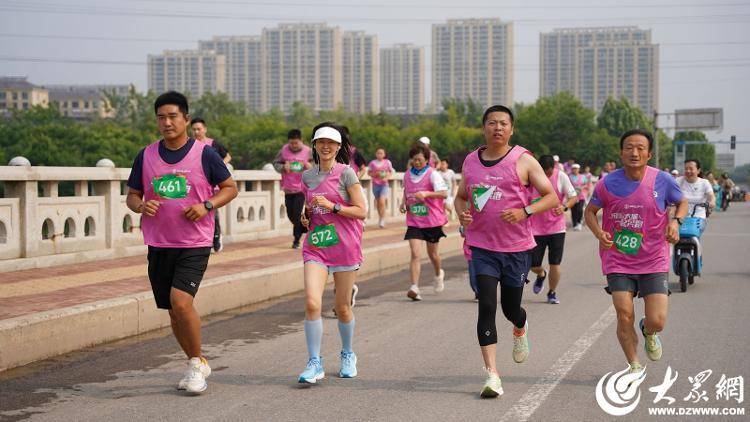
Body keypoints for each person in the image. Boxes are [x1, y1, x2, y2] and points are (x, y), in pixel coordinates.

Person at [125, 91, 238, 394]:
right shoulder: (146, 155)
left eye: (173, 116)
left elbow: (229, 188)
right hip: (159, 242)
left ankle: (196, 364)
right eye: (161, 117)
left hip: (194, 241)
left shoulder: (204, 154)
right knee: (172, 311)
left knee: (181, 301)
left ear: (186, 119)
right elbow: (132, 195)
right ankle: (196, 361)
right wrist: (140, 206)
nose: (167, 122)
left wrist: (207, 206)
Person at [454, 105, 558, 398]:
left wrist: (525, 211)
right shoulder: (471, 161)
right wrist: (462, 214)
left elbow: (550, 197)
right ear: (484, 128)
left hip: (516, 249)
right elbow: (460, 198)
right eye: (491, 123)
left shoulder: (523, 160)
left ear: (511, 130)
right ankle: (492, 375)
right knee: (486, 305)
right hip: (482, 246)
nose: (497, 128)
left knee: (510, 308)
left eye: (503, 123)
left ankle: (520, 325)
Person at [584, 129, 687, 376]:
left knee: (657, 320)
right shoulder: (607, 182)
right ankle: (634, 365)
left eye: (641, 148)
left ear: (649, 154)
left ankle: (649, 331)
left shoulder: (662, 180)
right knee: (624, 314)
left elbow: (681, 202)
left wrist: (675, 222)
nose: (634, 152)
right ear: (621, 153)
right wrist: (599, 233)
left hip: (653, 258)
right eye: (629, 147)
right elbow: (590, 212)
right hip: (618, 259)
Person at [297, 123, 367, 384]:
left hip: (345, 247)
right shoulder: (307, 177)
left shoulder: (347, 173)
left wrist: (334, 206)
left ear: (338, 147)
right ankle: (314, 362)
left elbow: (361, 210)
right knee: (312, 303)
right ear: (314, 145)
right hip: (316, 245)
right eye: (320, 142)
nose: (325, 146)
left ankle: (348, 353)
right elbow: (309, 207)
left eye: (331, 143)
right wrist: (305, 216)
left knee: (342, 308)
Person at [528, 155, 579, 304]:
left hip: (556, 228)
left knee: (555, 263)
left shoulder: (560, 176)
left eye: (549, 173)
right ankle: (541, 274)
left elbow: (573, 197)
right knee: (533, 264)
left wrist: (564, 207)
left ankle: (552, 292)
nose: (546, 176)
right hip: (535, 229)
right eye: (543, 173)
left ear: (553, 168)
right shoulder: (531, 177)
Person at [401, 142, 448, 301]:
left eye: (420, 159)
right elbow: (406, 191)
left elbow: (443, 193)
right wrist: (403, 203)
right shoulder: (407, 175)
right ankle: (414, 287)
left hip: (432, 221)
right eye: (414, 159)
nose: (417, 162)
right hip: (414, 220)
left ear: (427, 160)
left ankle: (438, 273)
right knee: (415, 253)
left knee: (433, 254)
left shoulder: (433, 174)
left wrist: (427, 194)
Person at [191, 117, 231, 252]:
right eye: (194, 129)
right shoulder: (189, 145)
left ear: (205, 129)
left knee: (213, 212)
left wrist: (219, 168)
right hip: (195, 187)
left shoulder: (212, 144)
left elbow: (228, 156)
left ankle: (216, 237)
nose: (196, 132)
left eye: (199, 129)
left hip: (212, 186)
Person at [274, 129, 312, 249]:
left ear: (301, 141)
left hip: (302, 188)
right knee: (291, 214)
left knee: (296, 213)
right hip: (288, 188)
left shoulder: (308, 151)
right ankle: (304, 228)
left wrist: (310, 166)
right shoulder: (283, 150)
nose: (294, 145)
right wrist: (283, 167)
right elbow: (275, 164)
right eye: (291, 143)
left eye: (296, 143)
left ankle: (296, 240)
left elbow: (319, 165)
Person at [367, 147, 394, 228]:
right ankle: (380, 218)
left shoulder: (387, 162)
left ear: (384, 154)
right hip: (375, 185)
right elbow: (369, 173)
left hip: (384, 184)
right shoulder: (372, 163)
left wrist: (387, 177)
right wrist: (375, 174)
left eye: (381, 153)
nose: (379, 154)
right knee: (378, 203)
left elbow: (391, 171)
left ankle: (382, 219)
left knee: (382, 201)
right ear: (376, 154)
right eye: (378, 153)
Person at [568, 163, 591, 231]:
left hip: (581, 196)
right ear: (572, 169)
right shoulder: (569, 177)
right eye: (574, 169)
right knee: (573, 210)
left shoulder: (583, 177)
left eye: (576, 169)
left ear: (579, 169)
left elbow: (587, 184)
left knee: (579, 209)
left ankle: (579, 222)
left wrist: (582, 187)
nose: (575, 170)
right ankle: (575, 224)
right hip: (572, 196)